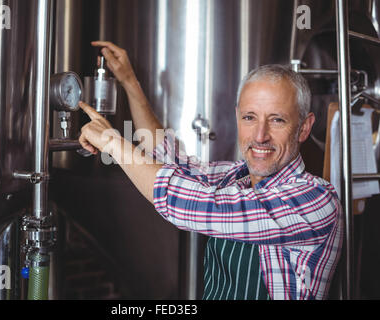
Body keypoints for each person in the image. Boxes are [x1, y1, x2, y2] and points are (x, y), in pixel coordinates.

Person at [78, 41, 343, 300]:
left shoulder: (315, 199)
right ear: (237, 117)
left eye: (277, 120)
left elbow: (192, 204)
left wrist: (113, 141)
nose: (260, 136)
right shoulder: (234, 178)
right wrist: (129, 82)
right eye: (249, 117)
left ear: (305, 127)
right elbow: (169, 157)